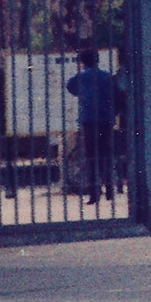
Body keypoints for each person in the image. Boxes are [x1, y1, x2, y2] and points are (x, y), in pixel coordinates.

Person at [66, 49, 118, 204]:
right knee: (106, 155)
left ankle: (94, 193)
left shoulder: (80, 77)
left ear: (82, 62)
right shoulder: (107, 76)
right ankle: (109, 189)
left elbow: (71, 88)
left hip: (89, 120)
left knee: (91, 157)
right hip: (106, 119)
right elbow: (114, 94)